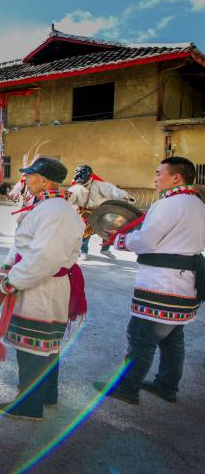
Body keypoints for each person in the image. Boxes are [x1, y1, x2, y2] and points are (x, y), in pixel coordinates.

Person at [95, 157, 205, 405]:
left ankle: (127, 387)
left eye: (158, 173)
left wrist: (119, 240)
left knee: (141, 337)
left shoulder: (168, 204)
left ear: (176, 177)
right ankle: (167, 386)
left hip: (162, 284)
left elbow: (146, 241)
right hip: (187, 282)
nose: (155, 179)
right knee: (173, 338)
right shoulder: (197, 203)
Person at [0, 157, 85, 421]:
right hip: (42, 283)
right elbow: (24, 244)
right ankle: (47, 394)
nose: (26, 180)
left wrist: (13, 281)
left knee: (34, 346)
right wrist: (7, 266)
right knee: (46, 345)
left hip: (42, 287)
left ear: (44, 180)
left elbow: (44, 257)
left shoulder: (55, 211)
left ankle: (28, 406)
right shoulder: (50, 207)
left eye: (30, 175)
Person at [67, 164, 135, 261]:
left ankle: (105, 249)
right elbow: (70, 197)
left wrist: (124, 196)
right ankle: (83, 251)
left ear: (89, 176)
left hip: (100, 211)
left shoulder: (98, 185)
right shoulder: (76, 187)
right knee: (85, 233)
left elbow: (111, 190)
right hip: (84, 212)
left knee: (109, 229)